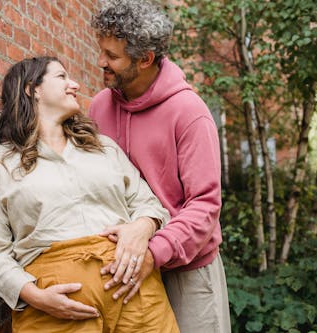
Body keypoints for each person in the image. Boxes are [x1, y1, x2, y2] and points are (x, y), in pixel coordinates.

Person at [0, 56, 179, 332]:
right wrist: (36, 297)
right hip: (55, 310)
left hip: (136, 294)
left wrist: (143, 227)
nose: (75, 85)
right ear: (31, 89)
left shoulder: (103, 148)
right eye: (62, 77)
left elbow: (149, 205)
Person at [89, 1, 231, 332]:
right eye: (101, 51)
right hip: (120, 269)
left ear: (145, 59)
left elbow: (205, 206)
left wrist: (153, 252)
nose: (101, 62)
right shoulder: (98, 107)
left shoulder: (189, 112)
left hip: (187, 274)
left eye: (112, 56)